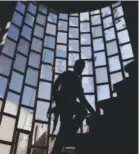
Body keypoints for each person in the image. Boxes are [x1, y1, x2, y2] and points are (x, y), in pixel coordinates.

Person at [48, 59, 96, 154]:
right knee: (65, 128)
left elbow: (82, 99)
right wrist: (58, 100)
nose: (81, 69)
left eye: (82, 68)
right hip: (66, 106)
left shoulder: (76, 79)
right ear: (76, 66)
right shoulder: (68, 74)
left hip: (69, 106)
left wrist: (92, 111)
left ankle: (60, 146)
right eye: (80, 67)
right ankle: (67, 136)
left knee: (64, 129)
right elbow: (55, 85)